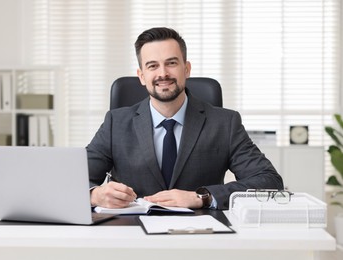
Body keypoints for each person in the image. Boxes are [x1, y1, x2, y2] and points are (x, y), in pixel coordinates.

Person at [87, 27, 283, 210]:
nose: (163, 73)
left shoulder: (225, 123)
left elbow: (269, 181)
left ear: (186, 69)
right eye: (152, 66)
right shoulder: (116, 123)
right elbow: (71, 181)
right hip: (131, 233)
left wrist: (202, 197)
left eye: (171, 63)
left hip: (201, 234)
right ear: (141, 76)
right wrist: (94, 195)